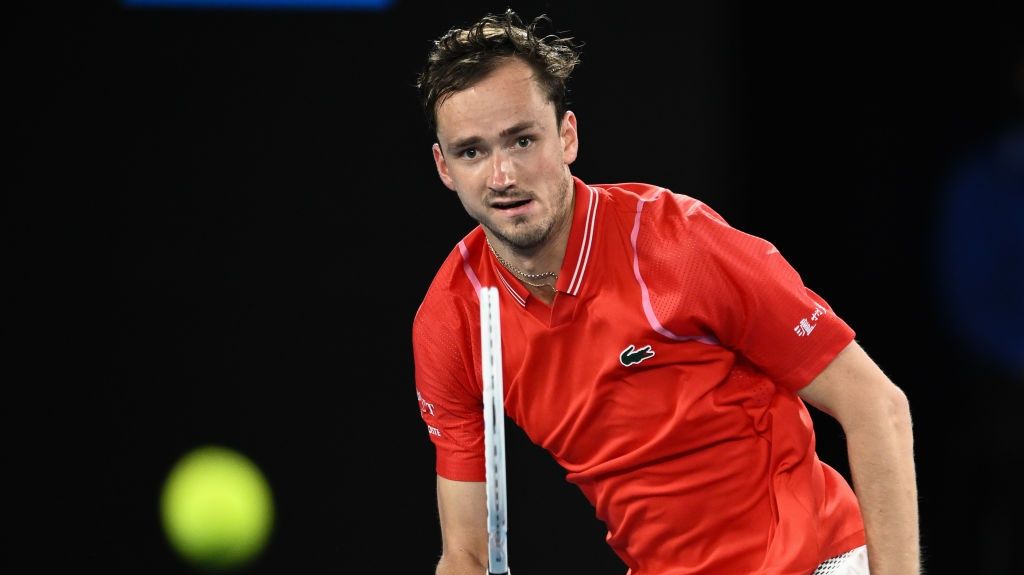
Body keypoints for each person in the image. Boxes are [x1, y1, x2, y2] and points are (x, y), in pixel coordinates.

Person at [411, 9, 919, 575]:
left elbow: (877, 406)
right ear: (444, 167)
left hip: (815, 561)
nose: (502, 176)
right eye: (473, 152)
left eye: (522, 140)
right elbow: (464, 555)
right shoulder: (450, 319)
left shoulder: (679, 245)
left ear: (567, 136)